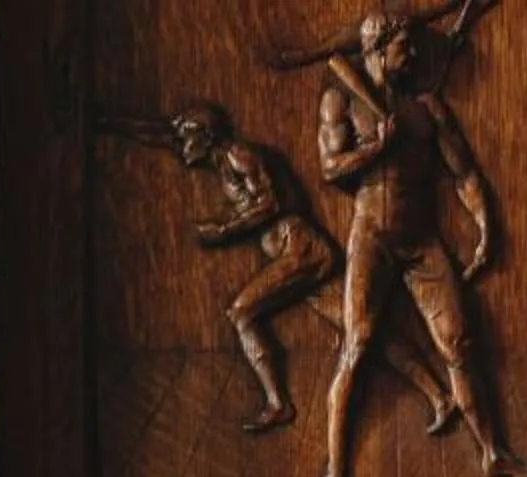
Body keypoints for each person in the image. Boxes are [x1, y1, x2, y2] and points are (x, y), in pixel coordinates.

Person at [108, 101, 453, 436]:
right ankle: (439, 395)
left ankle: (278, 404)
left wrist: (225, 229)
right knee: (365, 332)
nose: (180, 146)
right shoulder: (216, 158)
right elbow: (160, 134)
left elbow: (271, 202)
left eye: (186, 138)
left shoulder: (237, 155)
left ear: (206, 136)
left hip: (301, 250)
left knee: (241, 312)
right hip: (299, 256)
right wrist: (110, 122)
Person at [313, 8, 527, 477]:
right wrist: (378, 148)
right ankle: (335, 469)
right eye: (404, 47)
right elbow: (331, 169)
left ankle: (492, 452)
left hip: (422, 240)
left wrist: (484, 224)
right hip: (370, 235)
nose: (413, 54)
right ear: (377, 49)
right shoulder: (343, 100)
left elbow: (463, 173)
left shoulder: (427, 108)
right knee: (358, 345)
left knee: (458, 342)